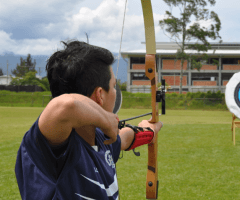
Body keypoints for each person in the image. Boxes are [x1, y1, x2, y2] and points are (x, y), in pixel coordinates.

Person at [15, 40, 163, 200]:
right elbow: (66, 105)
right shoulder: (53, 149)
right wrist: (106, 120)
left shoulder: (102, 140)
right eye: (113, 86)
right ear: (100, 95)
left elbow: (125, 137)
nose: (115, 91)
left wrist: (149, 131)